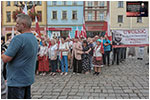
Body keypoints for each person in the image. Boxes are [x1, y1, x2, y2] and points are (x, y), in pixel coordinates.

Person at [1, 14, 38, 99]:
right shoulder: (33, 38)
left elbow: (6, 58)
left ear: (23, 25)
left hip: (16, 81)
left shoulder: (18, 38)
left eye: (17, 23)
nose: (15, 25)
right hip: (27, 79)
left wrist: (2, 54)